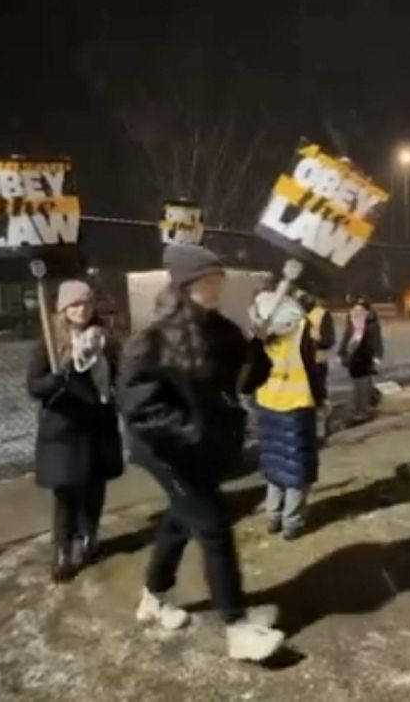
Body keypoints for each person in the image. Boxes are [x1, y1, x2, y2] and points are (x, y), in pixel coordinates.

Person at [117, 243, 286, 663]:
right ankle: (236, 627)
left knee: (181, 521)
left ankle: (154, 597)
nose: (219, 286)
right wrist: (189, 437)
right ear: (190, 284)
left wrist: (258, 347)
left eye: (219, 278)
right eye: (211, 280)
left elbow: (245, 382)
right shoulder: (154, 339)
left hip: (203, 445)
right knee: (213, 523)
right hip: (168, 449)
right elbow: (139, 408)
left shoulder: (220, 329)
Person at [26, 280, 123, 583]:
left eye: (87, 304)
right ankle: (62, 552)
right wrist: (53, 382)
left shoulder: (106, 339)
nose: (82, 310)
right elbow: (33, 385)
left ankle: (88, 540)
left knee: (94, 488)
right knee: (66, 492)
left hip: (98, 423)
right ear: (63, 309)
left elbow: (120, 375)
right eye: (75, 305)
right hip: (64, 427)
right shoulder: (50, 341)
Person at [253, 291, 326, 540]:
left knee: (275, 462)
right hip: (296, 404)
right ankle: (291, 522)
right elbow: (309, 367)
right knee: (298, 468)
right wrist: (321, 399)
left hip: (267, 402)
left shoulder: (259, 328)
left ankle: (273, 517)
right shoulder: (299, 327)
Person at [339, 299, 384, 424]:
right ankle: (363, 405)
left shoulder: (371, 323)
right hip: (353, 358)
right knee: (357, 385)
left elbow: (376, 341)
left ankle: (363, 411)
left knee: (363, 385)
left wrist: (377, 357)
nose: (357, 311)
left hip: (365, 357)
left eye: (361, 309)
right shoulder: (351, 321)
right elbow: (346, 337)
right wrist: (342, 353)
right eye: (356, 309)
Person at [301, 293, 335, 438]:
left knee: (318, 396)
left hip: (318, 361)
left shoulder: (322, 314)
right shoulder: (296, 315)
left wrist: (312, 344)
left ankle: (322, 430)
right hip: (301, 363)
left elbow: (329, 339)